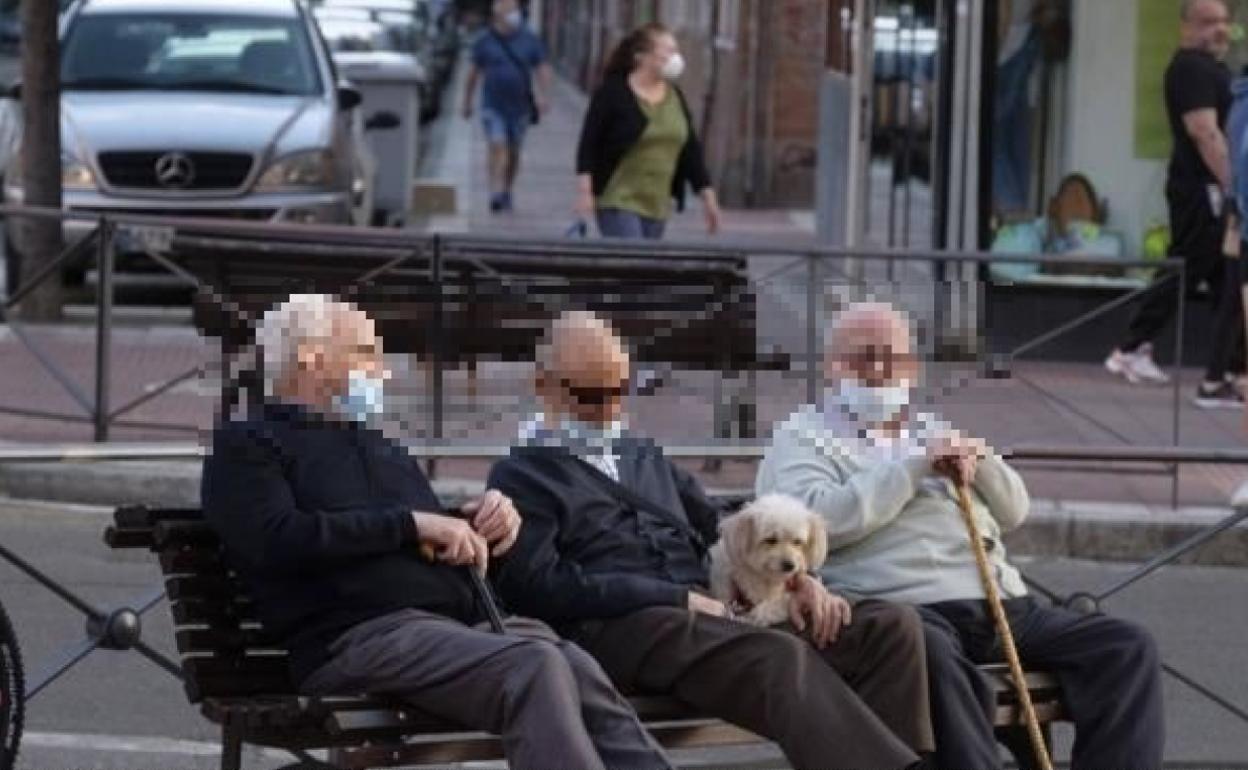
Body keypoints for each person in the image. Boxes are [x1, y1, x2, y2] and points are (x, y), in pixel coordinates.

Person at [201, 294, 673, 770]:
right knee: (535, 667)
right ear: (311, 357)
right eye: (366, 352)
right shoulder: (248, 444)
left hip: (457, 625)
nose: (382, 369)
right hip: (358, 637)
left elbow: (414, 534)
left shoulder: (378, 445)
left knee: (576, 665)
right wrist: (410, 524)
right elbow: (275, 538)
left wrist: (484, 523)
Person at [487, 310, 934, 770]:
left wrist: (800, 578)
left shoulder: (639, 451)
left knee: (891, 627)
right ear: (543, 387)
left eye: (621, 392)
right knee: (778, 657)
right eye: (590, 396)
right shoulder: (522, 475)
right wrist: (675, 596)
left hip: (713, 609)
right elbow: (537, 587)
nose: (609, 411)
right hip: (622, 626)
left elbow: (719, 523)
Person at [758, 302, 1165, 770]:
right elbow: (816, 524)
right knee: (937, 667)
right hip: (909, 611)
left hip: (1003, 607)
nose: (879, 368)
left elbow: (1014, 511)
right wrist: (913, 468)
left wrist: (981, 461)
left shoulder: (930, 428)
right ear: (833, 366)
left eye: (894, 356)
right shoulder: (803, 437)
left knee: (1125, 648)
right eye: (863, 355)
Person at [1106, 0, 1244, 409]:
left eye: (1222, 22)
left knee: (1228, 281)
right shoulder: (1192, 68)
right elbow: (1206, 134)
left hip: (1212, 193)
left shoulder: (1211, 69)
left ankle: (1226, 374)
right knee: (1188, 267)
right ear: (1186, 28)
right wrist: (1236, 188)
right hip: (1204, 193)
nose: (1218, 30)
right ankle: (1131, 347)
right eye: (1207, 23)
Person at [575, 23, 722, 239]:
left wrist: (707, 194)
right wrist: (585, 192)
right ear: (642, 57)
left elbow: (690, 148)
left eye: (676, 51)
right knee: (632, 260)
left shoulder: (675, 97)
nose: (676, 58)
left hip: (657, 205)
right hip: (618, 199)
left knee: (644, 267)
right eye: (668, 51)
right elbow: (588, 144)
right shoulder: (613, 93)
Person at [462, 0, 552, 213]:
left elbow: (542, 68)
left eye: (515, 10)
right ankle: (495, 191)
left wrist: (543, 95)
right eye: (509, 10)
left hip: (520, 108)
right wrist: (466, 102)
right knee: (497, 144)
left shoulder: (530, 39)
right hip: (492, 105)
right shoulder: (485, 41)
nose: (514, 14)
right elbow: (473, 73)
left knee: (513, 152)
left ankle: (507, 189)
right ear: (497, 15)